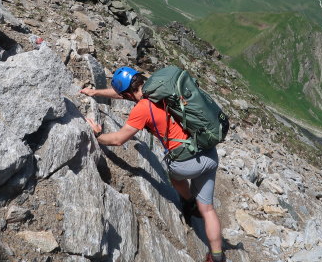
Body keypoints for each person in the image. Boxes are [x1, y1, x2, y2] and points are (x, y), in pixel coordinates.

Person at [81, 66, 226, 262]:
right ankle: (216, 256)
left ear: (127, 93)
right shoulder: (162, 89)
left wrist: (97, 134)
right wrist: (96, 92)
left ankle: (189, 202)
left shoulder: (142, 108)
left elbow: (118, 139)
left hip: (185, 163)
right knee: (208, 209)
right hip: (209, 153)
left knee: (175, 175)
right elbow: (123, 94)